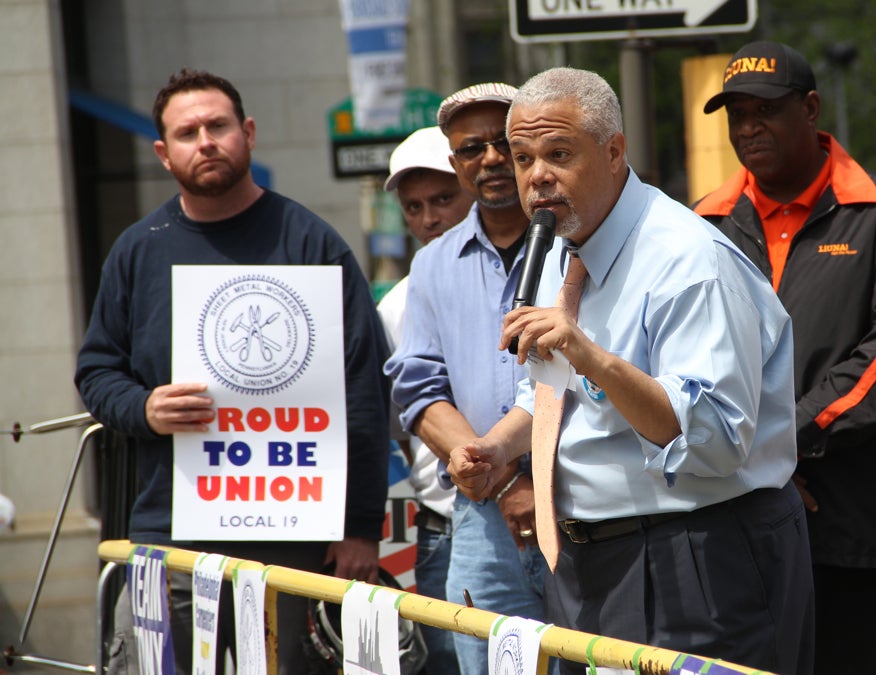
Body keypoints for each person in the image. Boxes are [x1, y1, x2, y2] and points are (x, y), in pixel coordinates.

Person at [446, 66, 814, 675]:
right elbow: (546, 397)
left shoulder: (691, 261)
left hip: (698, 556)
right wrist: (494, 450)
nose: (536, 177)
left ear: (614, 152)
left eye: (559, 154)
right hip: (584, 561)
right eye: (522, 157)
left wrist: (592, 356)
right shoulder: (556, 248)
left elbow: (715, 441)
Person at [74, 68, 390, 674]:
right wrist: (144, 409)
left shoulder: (313, 244)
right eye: (187, 133)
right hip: (169, 543)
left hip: (297, 543)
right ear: (165, 154)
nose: (206, 141)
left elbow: (363, 395)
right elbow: (96, 373)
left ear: (247, 133)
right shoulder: (139, 250)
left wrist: (358, 528)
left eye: (218, 126)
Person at [694, 41, 876, 675]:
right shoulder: (702, 226)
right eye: (737, 114)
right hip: (742, 532)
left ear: (810, 108)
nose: (748, 128)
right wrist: (761, 458)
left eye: (766, 111)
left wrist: (778, 442)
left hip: (867, 532)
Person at [383, 82, 551, 675]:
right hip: (481, 516)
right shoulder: (432, 263)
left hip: (583, 504)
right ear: (455, 164)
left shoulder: (578, 242)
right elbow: (418, 389)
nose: (491, 159)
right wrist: (499, 479)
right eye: (472, 148)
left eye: (505, 142)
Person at [375, 125, 473, 675]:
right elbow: (395, 424)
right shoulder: (395, 306)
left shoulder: (540, 272)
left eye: (442, 198)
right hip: (443, 523)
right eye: (414, 206)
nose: (429, 218)